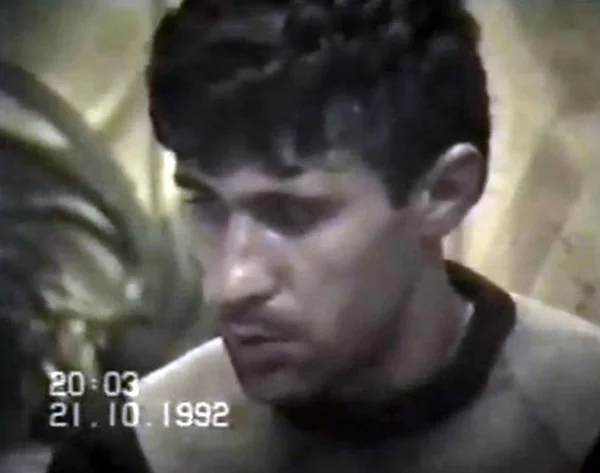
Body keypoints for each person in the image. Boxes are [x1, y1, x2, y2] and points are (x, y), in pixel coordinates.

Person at [47, 0, 600, 472]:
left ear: (444, 193)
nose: (230, 284)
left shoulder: (582, 418)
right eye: (205, 204)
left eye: (292, 212)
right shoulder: (132, 452)